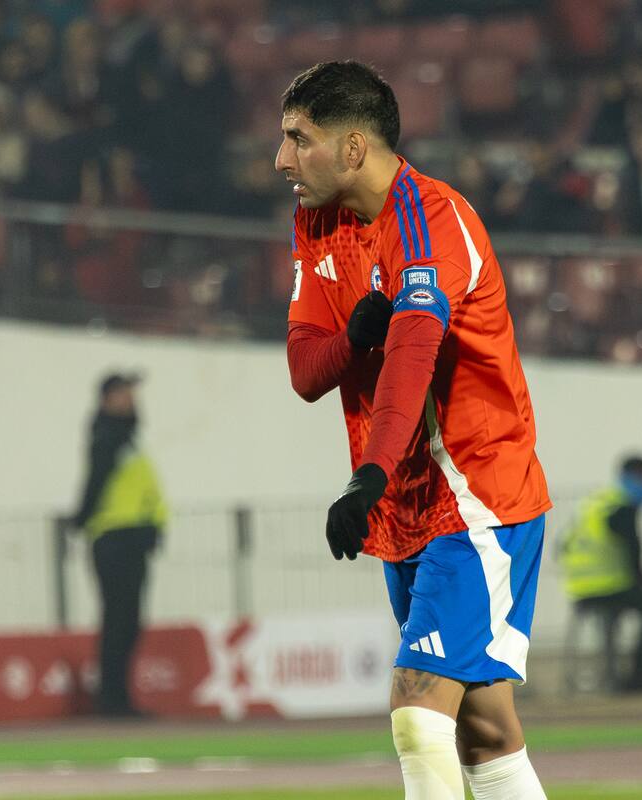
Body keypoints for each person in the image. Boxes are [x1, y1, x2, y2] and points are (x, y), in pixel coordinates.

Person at [277, 61, 550, 800]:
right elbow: (306, 370)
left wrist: (366, 474)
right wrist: (352, 342)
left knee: (417, 710)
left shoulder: (430, 223)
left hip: (475, 494)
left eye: (299, 140)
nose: (282, 161)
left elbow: (412, 357)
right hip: (407, 504)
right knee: (484, 731)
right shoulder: (318, 220)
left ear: (355, 147)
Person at [68, 373, 166, 718]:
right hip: (116, 538)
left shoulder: (123, 436)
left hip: (128, 538)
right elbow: (96, 480)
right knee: (120, 622)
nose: (131, 399)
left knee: (126, 621)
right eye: (123, 393)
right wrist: (80, 519)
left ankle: (117, 698)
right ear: (107, 398)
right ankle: (112, 700)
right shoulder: (109, 436)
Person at [559, 456, 642, 691]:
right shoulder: (622, 508)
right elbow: (634, 554)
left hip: (580, 589)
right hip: (609, 587)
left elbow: (562, 546)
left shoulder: (595, 502)